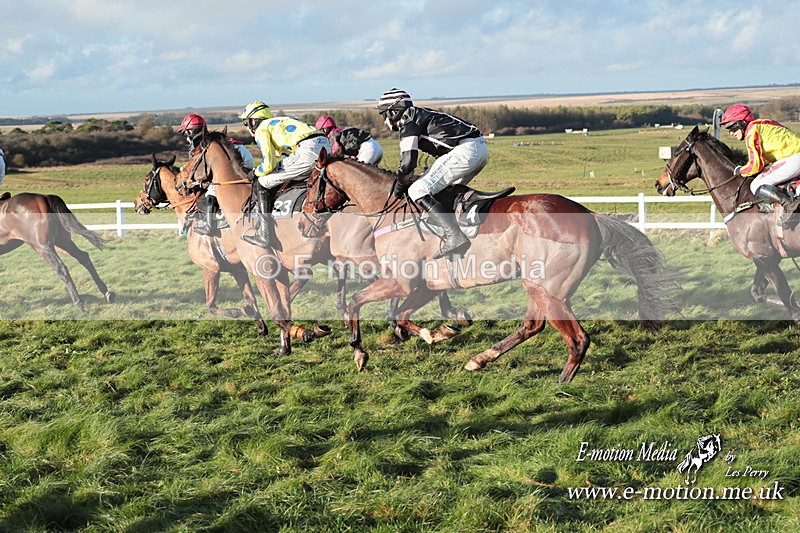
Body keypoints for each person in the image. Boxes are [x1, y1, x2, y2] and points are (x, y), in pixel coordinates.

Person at [377, 88, 488, 258]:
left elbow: (407, 164)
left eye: (384, 115)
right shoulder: (419, 114)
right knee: (439, 189)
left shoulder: (408, 122)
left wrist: (399, 186)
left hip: (466, 151)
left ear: (393, 112)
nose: (385, 121)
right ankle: (455, 231)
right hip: (478, 149)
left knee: (417, 190)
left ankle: (454, 237)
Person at [239, 101, 330, 248]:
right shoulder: (278, 122)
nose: (247, 126)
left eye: (246, 122)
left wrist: (255, 173)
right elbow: (278, 161)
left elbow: (268, 163)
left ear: (253, 121)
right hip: (324, 144)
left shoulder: (262, 129)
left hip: (307, 150)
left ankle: (264, 235)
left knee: (263, 182)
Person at [177, 113, 254, 236]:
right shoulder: (211, 139)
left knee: (211, 191)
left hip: (238, 165)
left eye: (185, 133)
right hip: (247, 164)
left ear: (192, 131)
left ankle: (210, 224)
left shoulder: (204, 144)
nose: (186, 137)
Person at [720, 103, 800, 207]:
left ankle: (789, 205)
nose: (731, 133)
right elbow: (765, 158)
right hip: (794, 157)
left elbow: (755, 166)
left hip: (794, 159)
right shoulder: (763, 123)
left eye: (732, 128)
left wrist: (740, 170)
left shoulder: (751, 131)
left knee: (756, 184)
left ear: (742, 122)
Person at [314, 115, 383, 165]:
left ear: (325, 129)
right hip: (376, 147)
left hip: (368, 149)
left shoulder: (333, 135)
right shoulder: (340, 130)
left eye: (321, 131)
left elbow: (336, 153)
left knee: (358, 176)